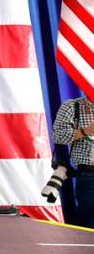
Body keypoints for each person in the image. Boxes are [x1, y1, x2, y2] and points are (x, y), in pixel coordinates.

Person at [53, 95, 94, 228]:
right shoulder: (72, 106)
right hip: (89, 174)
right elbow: (58, 136)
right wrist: (86, 130)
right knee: (89, 222)